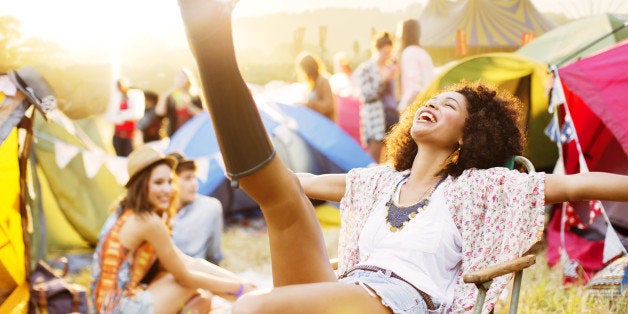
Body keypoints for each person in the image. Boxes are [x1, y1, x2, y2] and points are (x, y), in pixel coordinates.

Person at [177, 1, 628, 312]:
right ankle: (211, 40)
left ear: (469, 138)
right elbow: (292, 180)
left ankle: (210, 39)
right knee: (277, 193)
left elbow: (577, 184)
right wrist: (242, 171)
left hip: (402, 301)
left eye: (450, 107)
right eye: (432, 100)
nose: (431, 104)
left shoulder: (477, 188)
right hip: (349, 289)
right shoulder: (379, 182)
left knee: (253, 306)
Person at [90, 145, 255, 313]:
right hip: (117, 307)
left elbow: (186, 261)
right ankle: (253, 299)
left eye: (170, 181)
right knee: (188, 281)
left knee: (201, 300)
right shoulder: (148, 221)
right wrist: (238, 287)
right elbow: (185, 277)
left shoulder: (125, 211)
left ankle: (252, 297)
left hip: (104, 305)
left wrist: (240, 284)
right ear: (141, 185)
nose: (167, 189)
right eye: (158, 183)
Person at [169, 152, 224, 264]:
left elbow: (214, 254)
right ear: (171, 181)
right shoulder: (156, 211)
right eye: (188, 178)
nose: (195, 184)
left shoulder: (209, 208)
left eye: (195, 178)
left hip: (197, 272)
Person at [353, 31, 399, 163]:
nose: (387, 56)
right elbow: (367, 95)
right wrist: (384, 79)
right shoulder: (365, 69)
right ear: (377, 50)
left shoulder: (390, 67)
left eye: (389, 52)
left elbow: (395, 94)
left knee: (392, 158)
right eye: (385, 52)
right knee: (374, 158)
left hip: (392, 115)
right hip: (375, 117)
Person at [396, 18, 435, 113]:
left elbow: (414, 86)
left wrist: (402, 107)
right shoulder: (423, 53)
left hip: (414, 107)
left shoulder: (409, 52)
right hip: (427, 103)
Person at [155, 68, 204, 137]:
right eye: (178, 77)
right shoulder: (170, 96)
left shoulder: (196, 96)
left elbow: (202, 116)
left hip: (193, 132)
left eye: (183, 77)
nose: (180, 79)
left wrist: (189, 105)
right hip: (175, 134)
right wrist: (165, 95)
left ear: (189, 79)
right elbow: (160, 112)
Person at [105, 78, 145, 157]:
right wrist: (123, 116)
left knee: (130, 156)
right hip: (118, 135)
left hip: (130, 135)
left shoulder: (135, 95)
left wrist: (119, 116)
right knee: (119, 156)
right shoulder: (116, 97)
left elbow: (136, 114)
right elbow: (109, 116)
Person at [295, 51, 336, 121]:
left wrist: (309, 104)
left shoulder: (323, 81)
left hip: (324, 125)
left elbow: (329, 105)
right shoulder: (309, 84)